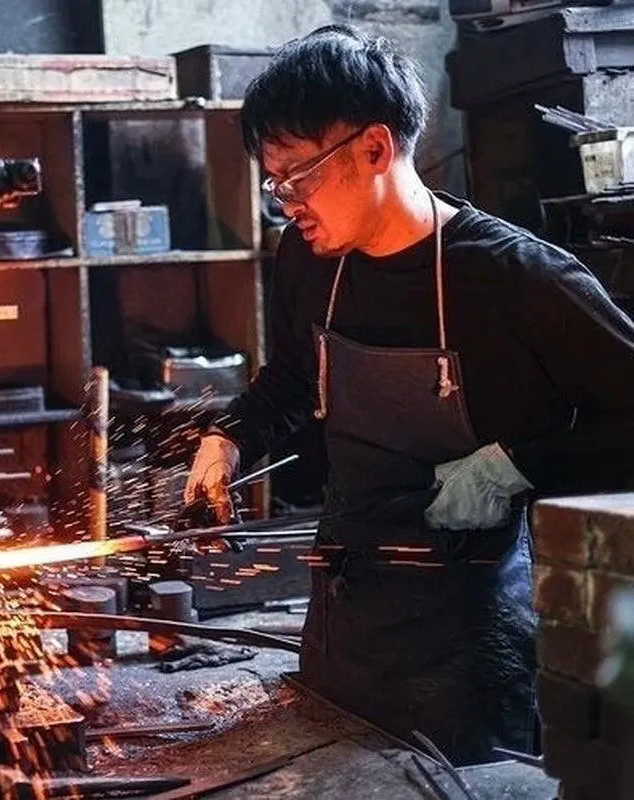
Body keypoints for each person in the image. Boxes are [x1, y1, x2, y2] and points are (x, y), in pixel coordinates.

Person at [183, 24, 634, 765]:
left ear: (375, 148)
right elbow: (298, 374)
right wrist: (230, 435)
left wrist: (514, 465)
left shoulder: (516, 278)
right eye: (274, 182)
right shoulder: (309, 256)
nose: (285, 202)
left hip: (467, 651)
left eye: (297, 176)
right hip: (342, 625)